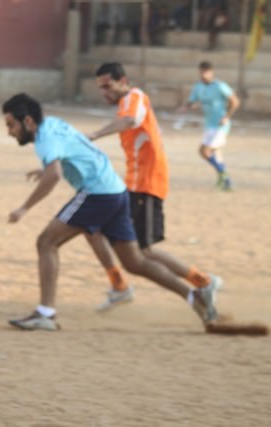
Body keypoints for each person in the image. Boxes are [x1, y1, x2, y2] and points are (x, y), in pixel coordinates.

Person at [3, 93, 219, 331]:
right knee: (135, 262)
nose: (9, 132)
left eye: (11, 125)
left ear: (29, 122)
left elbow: (55, 174)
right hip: (116, 190)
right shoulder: (53, 123)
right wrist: (45, 169)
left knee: (46, 242)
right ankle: (193, 296)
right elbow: (71, 152)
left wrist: (24, 207)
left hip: (96, 193)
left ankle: (45, 313)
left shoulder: (45, 140)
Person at [85, 62, 222, 312]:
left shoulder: (134, 97)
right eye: (100, 88)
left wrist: (94, 135)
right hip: (134, 185)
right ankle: (119, 286)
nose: (105, 92)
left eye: (108, 86)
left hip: (146, 185)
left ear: (123, 81)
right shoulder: (127, 102)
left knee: (143, 251)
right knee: (93, 226)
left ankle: (203, 282)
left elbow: (131, 120)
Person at [177, 61, 239, 191]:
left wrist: (227, 116)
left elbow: (235, 101)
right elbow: (193, 102)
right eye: (201, 72)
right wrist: (186, 107)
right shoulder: (198, 87)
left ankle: (224, 174)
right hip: (209, 125)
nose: (203, 75)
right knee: (212, 154)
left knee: (204, 150)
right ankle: (226, 182)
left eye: (205, 72)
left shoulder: (220, 86)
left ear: (212, 72)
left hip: (221, 125)